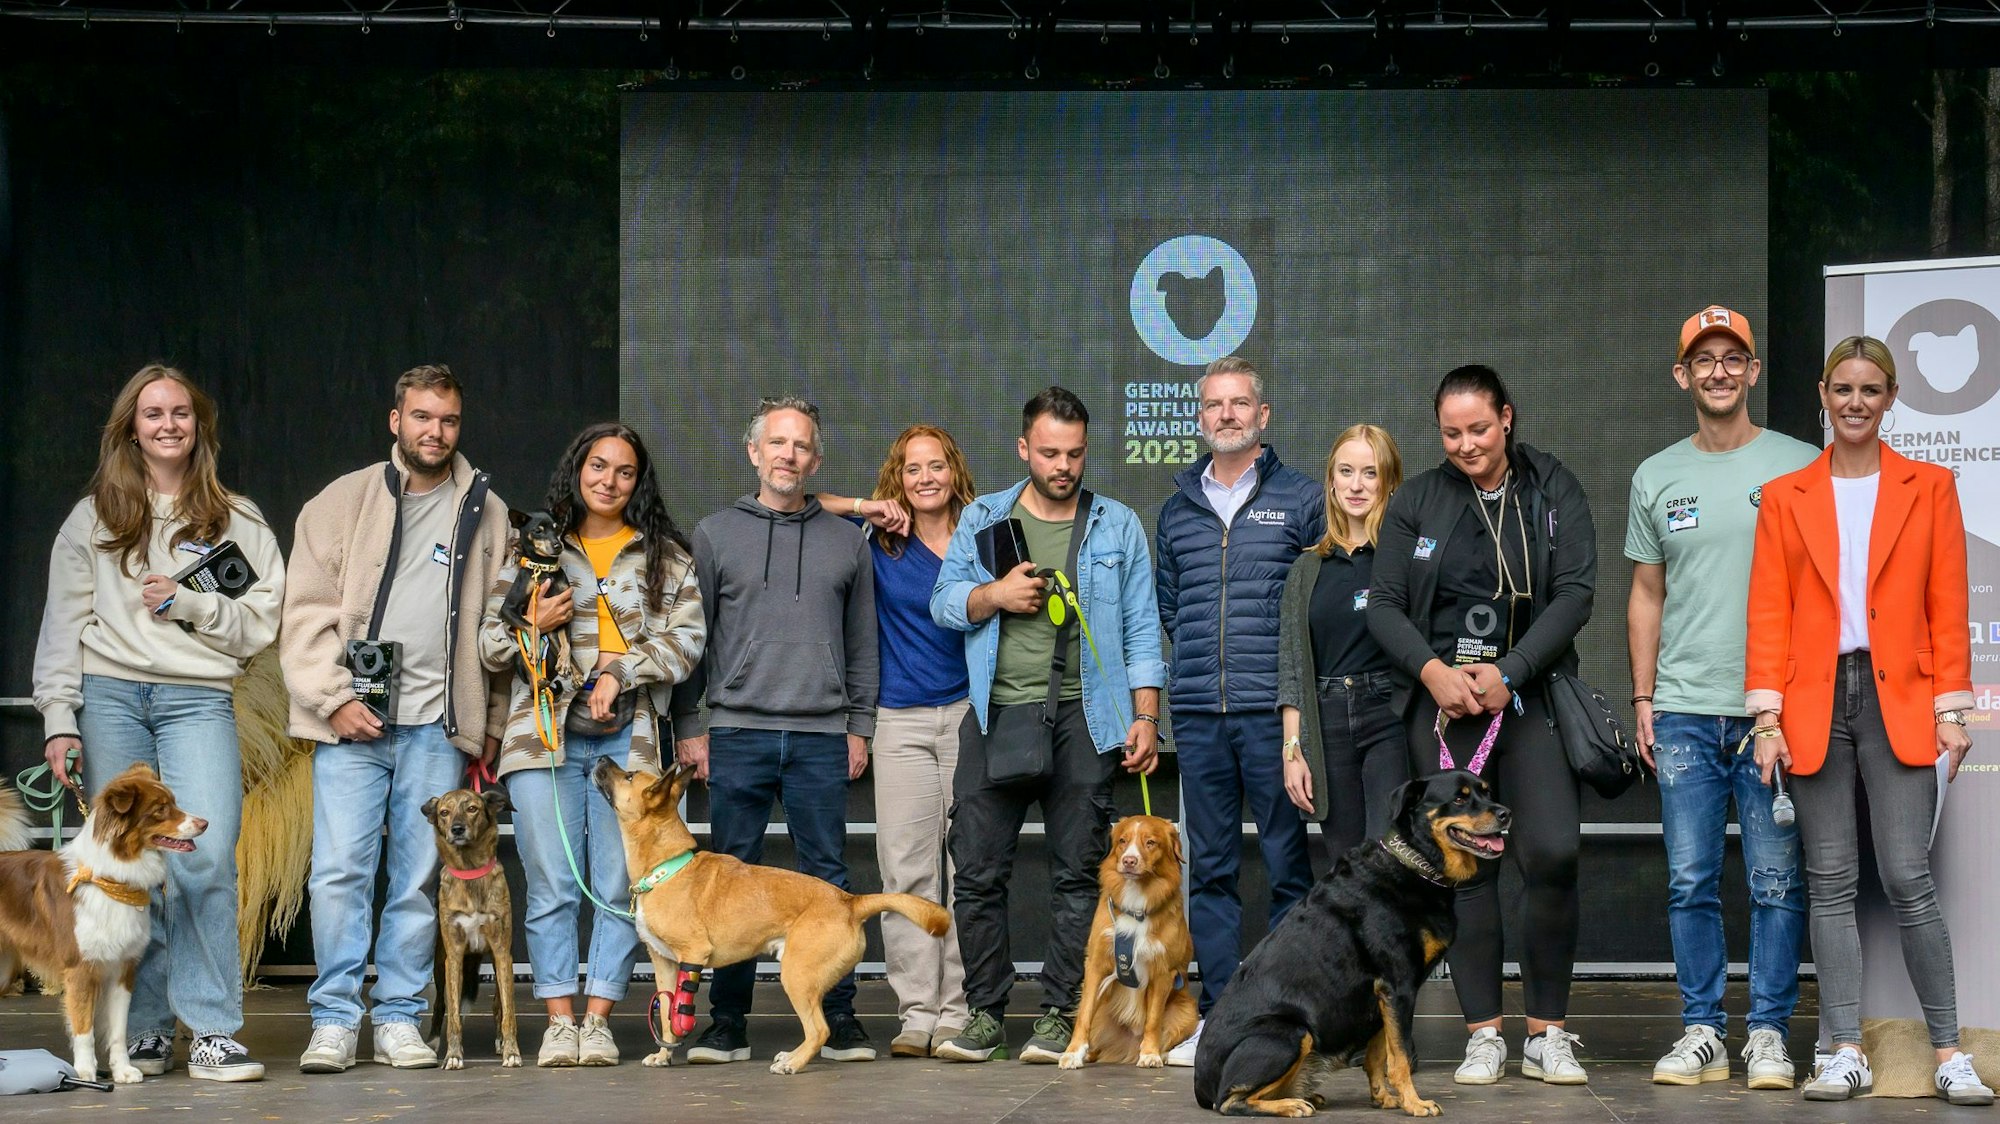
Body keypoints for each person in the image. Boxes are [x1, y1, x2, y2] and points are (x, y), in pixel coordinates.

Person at [1747, 336, 1994, 1107]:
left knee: (1908, 877)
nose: (1855, 402)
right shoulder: (1786, 496)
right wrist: (1766, 720)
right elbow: (1770, 612)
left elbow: (1948, 603)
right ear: (1822, 394)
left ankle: (1950, 1053)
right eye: (1842, 389)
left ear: (1890, 399)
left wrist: (1953, 709)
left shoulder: (1930, 486)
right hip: (1817, 699)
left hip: (1902, 699)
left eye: (1871, 390)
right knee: (1829, 883)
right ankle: (1844, 1049)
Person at [32, 364, 286, 1083]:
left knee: (202, 860)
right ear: (131, 428)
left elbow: (261, 625)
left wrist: (189, 604)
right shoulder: (95, 516)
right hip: (109, 695)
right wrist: (59, 717)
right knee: (127, 872)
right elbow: (62, 626)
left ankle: (211, 1030)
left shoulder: (236, 518)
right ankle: (138, 1033)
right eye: (153, 414)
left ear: (199, 424)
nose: (169, 424)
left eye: (181, 412)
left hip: (197, 698)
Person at [1367, 364, 1597, 1087]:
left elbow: (1577, 592)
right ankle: (1482, 1034)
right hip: (1448, 706)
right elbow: (1383, 605)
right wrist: (1434, 673)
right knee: (1465, 869)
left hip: (1529, 695)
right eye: (1452, 432)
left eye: (1479, 428)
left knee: (1553, 851)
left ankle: (1548, 1033)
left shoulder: (1552, 485)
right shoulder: (1419, 500)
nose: (1467, 444)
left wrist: (1514, 669)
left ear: (1507, 417)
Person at [282, 364, 510, 1074]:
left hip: (437, 727)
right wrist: (333, 698)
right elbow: (304, 613)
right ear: (395, 421)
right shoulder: (341, 502)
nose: (434, 432)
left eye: (447, 420)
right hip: (352, 721)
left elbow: (501, 627)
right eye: (421, 417)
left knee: (420, 879)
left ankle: (402, 1018)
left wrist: (490, 724)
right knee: (341, 872)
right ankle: (335, 1021)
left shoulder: (486, 508)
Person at [929, 386, 1167, 1065]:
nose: (1064, 465)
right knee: (976, 871)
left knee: (1076, 875)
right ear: (1024, 449)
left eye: (1075, 453)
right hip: (996, 710)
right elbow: (945, 604)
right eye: (1050, 453)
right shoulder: (984, 515)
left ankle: (1064, 1014)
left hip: (1087, 718)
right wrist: (993, 595)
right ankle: (984, 1015)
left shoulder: (1116, 523)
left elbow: (1143, 630)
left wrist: (1145, 715)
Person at [1626, 307, 1816, 1090]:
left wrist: (1799, 701)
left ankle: (1768, 1032)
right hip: (1681, 709)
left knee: (1776, 881)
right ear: (1682, 375)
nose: (1717, 371)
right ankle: (1702, 1029)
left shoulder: (1803, 464)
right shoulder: (1655, 474)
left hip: (1775, 712)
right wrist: (1644, 695)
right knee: (1689, 878)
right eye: (1702, 360)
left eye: (1731, 358)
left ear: (1753, 371)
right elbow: (1646, 593)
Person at [481, 422, 705, 1067]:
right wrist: (531, 622)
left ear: (639, 482)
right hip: (540, 740)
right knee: (550, 884)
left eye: (625, 471)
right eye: (598, 466)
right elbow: (488, 646)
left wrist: (617, 671)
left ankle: (600, 1018)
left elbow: (687, 643)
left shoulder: (665, 555)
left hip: (632, 748)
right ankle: (558, 1021)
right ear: (576, 471)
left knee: (617, 886)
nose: (609, 481)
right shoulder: (534, 552)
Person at [669, 395, 879, 1065]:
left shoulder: (848, 541)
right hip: (735, 732)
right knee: (725, 886)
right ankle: (726, 1024)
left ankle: (838, 1019)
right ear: (756, 453)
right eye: (777, 444)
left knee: (827, 878)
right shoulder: (714, 533)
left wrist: (860, 726)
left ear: (816, 460)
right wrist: (689, 725)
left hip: (821, 736)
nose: (789, 455)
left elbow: (863, 645)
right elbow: (693, 640)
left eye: (802, 446)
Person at [1151, 357, 1324, 1067]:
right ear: (1201, 417)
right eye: (1214, 404)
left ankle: (1281, 1012)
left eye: (1240, 403)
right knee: (1212, 869)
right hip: (1198, 712)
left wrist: (1291, 720)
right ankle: (1222, 1016)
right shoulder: (1176, 506)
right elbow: (1172, 606)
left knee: (1288, 866)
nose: (1226, 414)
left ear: (1263, 415)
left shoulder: (1304, 498)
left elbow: (1314, 601)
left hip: (1270, 714)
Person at [832, 424, 978, 1058]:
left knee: (968, 869)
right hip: (898, 721)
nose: (925, 478)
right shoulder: (877, 539)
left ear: (954, 472)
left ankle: (964, 1011)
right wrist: (868, 505)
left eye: (936, 466)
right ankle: (919, 1012)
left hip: (972, 715)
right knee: (908, 871)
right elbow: (804, 504)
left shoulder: (982, 533)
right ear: (898, 477)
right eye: (912, 468)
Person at [1275, 423, 1409, 857]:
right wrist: (1293, 750)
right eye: (1346, 471)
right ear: (1331, 480)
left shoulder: (1404, 559)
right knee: (1346, 866)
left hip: (1389, 715)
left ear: (1389, 482)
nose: (1356, 485)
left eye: (1370, 473)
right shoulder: (1307, 568)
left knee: (1389, 855)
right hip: (1326, 720)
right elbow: (1294, 667)